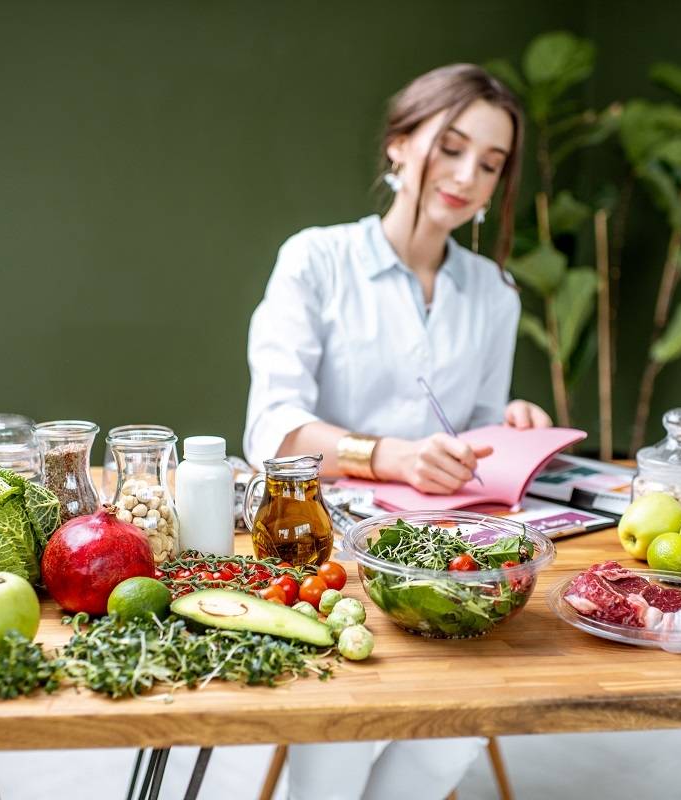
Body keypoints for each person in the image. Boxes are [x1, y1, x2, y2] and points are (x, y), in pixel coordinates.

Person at [243, 64, 551, 799]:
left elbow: (471, 438)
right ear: (399, 145)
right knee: (338, 733)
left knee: (461, 723)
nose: (468, 175)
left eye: (491, 163)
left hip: (444, 559)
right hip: (325, 555)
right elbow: (273, 432)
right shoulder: (315, 261)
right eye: (451, 147)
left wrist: (508, 429)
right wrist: (390, 457)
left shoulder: (495, 294)